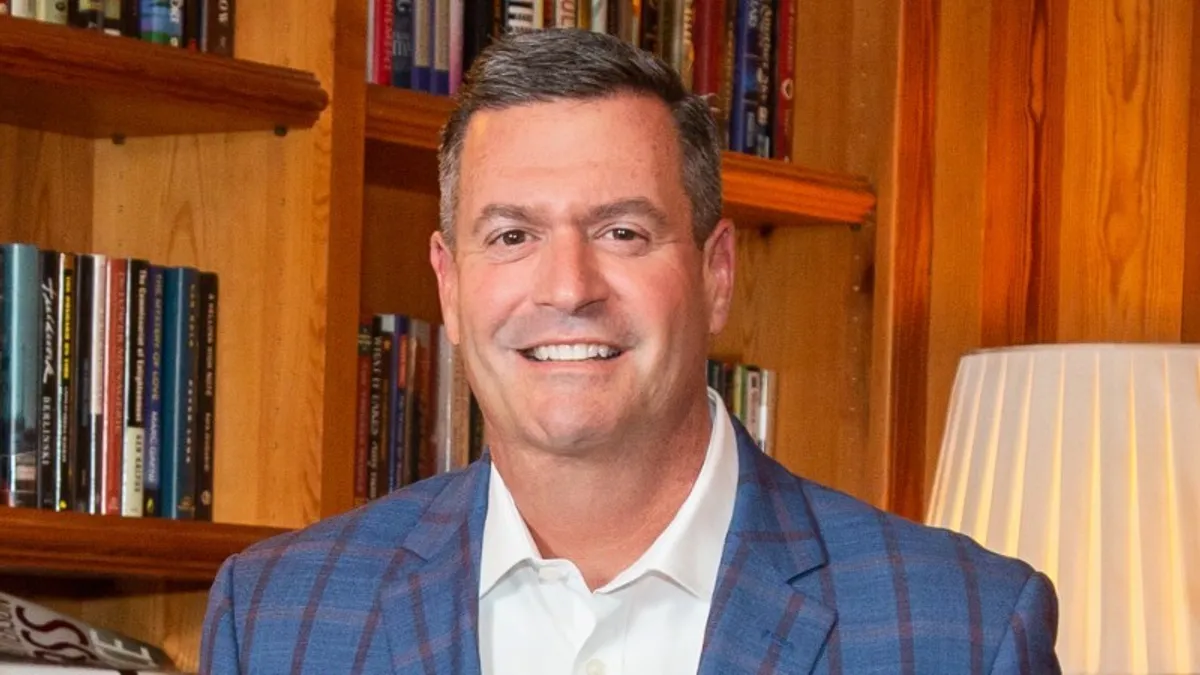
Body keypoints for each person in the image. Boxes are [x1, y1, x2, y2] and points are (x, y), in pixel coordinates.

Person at [200, 29, 1059, 674]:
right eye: (510, 235)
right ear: (450, 286)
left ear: (716, 273)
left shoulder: (964, 631)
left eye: (622, 230)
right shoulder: (280, 620)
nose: (568, 286)